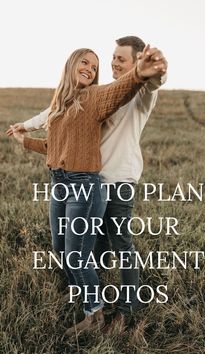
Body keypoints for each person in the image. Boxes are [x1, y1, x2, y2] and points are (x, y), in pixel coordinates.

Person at [10, 44, 166, 335]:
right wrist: (25, 134)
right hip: (65, 182)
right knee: (78, 249)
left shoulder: (108, 95)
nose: (102, 67)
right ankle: (91, 296)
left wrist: (144, 74)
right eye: (89, 63)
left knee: (113, 247)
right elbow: (54, 135)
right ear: (71, 65)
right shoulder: (71, 102)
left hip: (106, 181)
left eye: (119, 60)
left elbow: (132, 88)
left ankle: (112, 311)